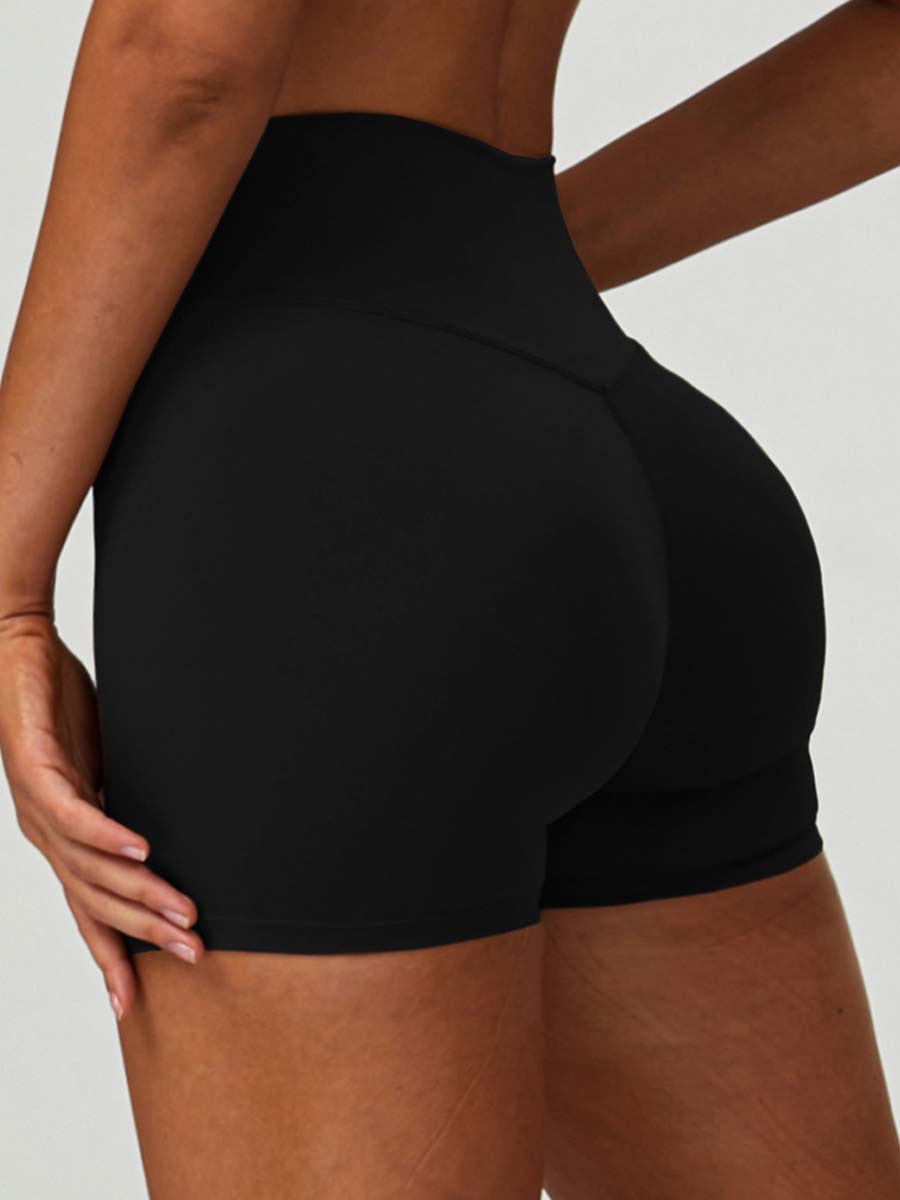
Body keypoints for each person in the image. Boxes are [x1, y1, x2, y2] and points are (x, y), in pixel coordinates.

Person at [2, 1, 899, 1196]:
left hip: (316, 498)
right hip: (636, 444)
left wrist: (9, 591)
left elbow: (187, 50)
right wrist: (496, 278)